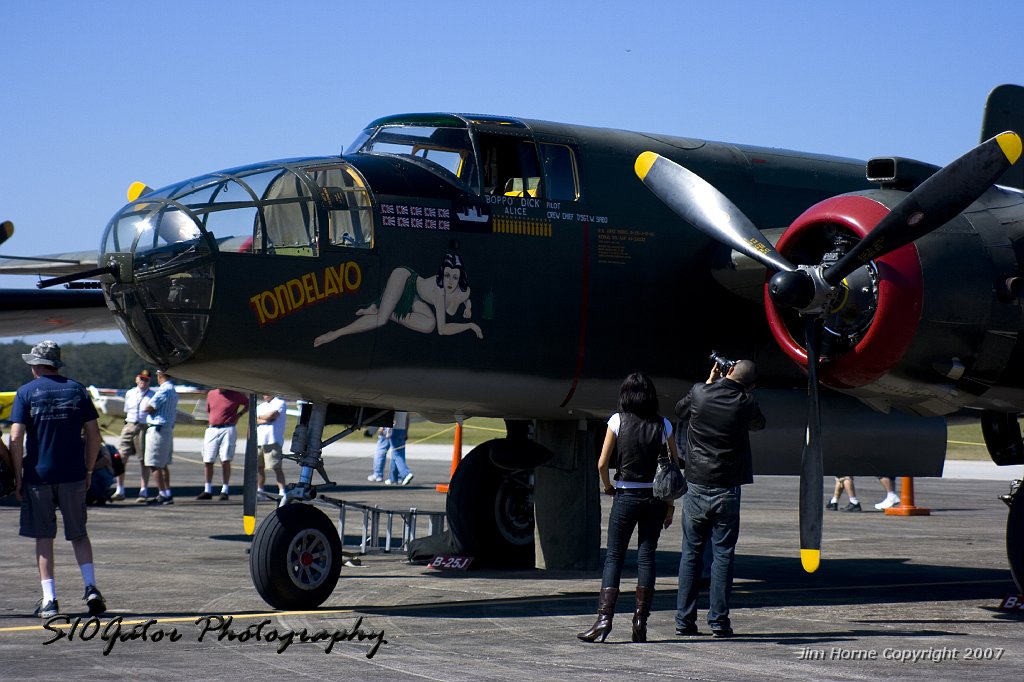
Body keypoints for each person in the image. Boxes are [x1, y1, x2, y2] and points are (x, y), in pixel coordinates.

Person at [577, 372, 679, 644]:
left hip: (625, 496)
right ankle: (639, 620)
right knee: (647, 557)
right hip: (655, 499)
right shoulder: (664, 424)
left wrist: (608, 486)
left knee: (614, 557)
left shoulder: (617, 421)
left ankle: (603, 620)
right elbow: (672, 466)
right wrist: (670, 505)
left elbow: (601, 463)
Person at [9, 340, 107, 618]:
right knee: (79, 534)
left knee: (44, 537)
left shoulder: (26, 392)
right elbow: (94, 435)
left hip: (39, 476)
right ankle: (91, 587)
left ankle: (50, 599)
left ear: (37, 366)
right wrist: (88, 470)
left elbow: (16, 438)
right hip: (73, 474)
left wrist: (18, 476)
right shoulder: (77, 390)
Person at [674, 359, 765, 638]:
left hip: (697, 483)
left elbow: (680, 411)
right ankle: (718, 621)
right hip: (727, 486)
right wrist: (746, 394)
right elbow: (759, 424)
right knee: (723, 555)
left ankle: (684, 621)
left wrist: (710, 383)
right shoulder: (745, 401)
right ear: (749, 385)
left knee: (691, 553)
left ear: (727, 371)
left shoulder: (700, 392)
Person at [313, 253, 482, 346]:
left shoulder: (465, 292)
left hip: (416, 298)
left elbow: (466, 300)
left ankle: (382, 308)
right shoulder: (440, 292)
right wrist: (470, 326)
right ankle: (335, 334)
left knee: (428, 325)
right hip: (404, 279)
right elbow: (443, 329)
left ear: (461, 278)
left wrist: (468, 308)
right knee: (381, 320)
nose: (450, 282)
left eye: (454, 277)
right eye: (446, 276)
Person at [196, 388, 248, 501]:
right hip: (212, 428)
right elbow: (209, 410)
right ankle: (207, 489)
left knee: (225, 459)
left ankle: (225, 489)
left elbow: (248, 404)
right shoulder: (211, 393)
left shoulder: (236, 394)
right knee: (208, 459)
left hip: (227, 427)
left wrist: (239, 415)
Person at [143, 369, 178, 505]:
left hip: (157, 429)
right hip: (166, 429)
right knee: (163, 464)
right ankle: (166, 492)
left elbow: (149, 407)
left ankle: (163, 494)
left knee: (154, 464)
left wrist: (147, 405)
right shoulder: (172, 389)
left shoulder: (164, 390)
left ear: (160, 375)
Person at [118, 369, 153, 502]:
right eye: (141, 378)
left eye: (146, 379)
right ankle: (120, 489)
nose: (143, 381)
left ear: (149, 381)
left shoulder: (152, 395)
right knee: (122, 457)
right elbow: (126, 410)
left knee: (143, 459)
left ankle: (143, 490)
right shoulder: (130, 393)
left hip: (143, 426)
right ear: (136, 379)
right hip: (129, 424)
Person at [256, 394, 288, 498]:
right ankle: (260, 491)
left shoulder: (280, 402)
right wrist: (265, 419)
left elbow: (272, 415)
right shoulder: (260, 406)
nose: (265, 395)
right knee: (259, 467)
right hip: (259, 441)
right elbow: (255, 420)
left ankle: (282, 491)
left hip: (273, 441)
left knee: (276, 467)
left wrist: (263, 418)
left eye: (267, 393)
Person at [368, 411, 413, 485]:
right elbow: (407, 419)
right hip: (402, 430)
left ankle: (406, 473)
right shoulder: (405, 407)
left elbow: (391, 418)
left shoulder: (395, 405)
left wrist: (387, 430)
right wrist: (406, 431)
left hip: (394, 429)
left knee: (396, 454)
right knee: (397, 454)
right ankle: (394, 478)